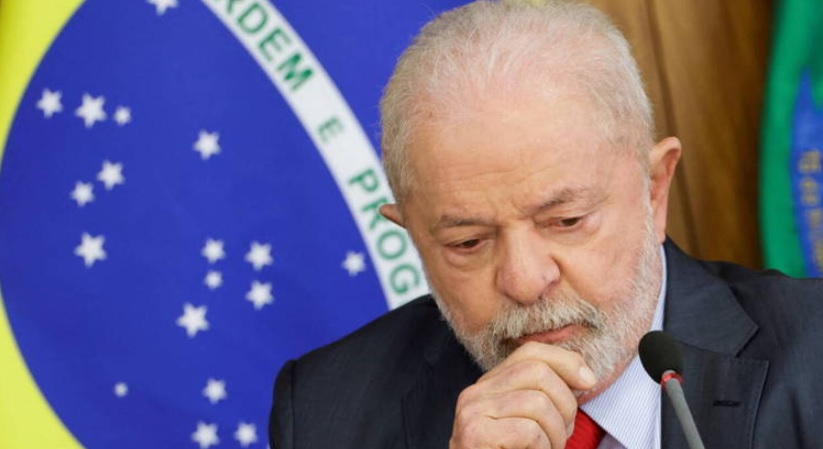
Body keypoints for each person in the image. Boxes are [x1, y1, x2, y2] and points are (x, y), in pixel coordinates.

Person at [269, 1, 823, 448]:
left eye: (566, 220)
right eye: (468, 242)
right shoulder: (324, 412)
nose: (525, 281)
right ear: (412, 233)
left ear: (654, 190)